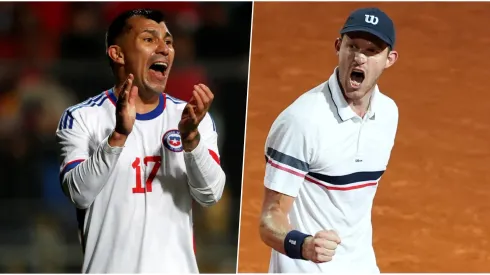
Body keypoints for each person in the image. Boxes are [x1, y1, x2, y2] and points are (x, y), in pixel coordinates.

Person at [55, 9, 226, 273]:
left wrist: (191, 140)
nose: (164, 49)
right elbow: (79, 193)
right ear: (117, 54)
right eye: (150, 39)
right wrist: (118, 136)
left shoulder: (192, 118)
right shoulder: (81, 118)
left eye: (168, 42)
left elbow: (211, 195)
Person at [258, 7, 399, 273]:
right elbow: (270, 218)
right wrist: (305, 245)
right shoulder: (301, 121)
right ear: (338, 46)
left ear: (389, 59)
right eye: (352, 46)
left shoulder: (388, 114)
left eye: (371, 51)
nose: (359, 57)